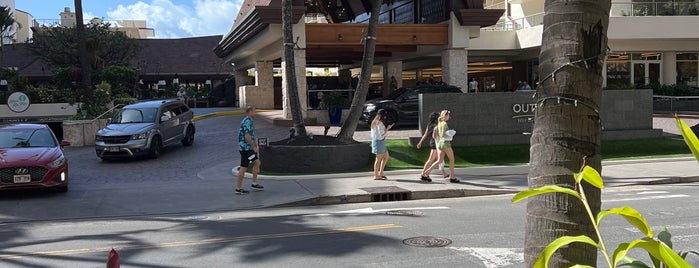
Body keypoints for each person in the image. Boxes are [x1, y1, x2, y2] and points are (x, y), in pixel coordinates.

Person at [235, 106, 264, 194]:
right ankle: (239, 188)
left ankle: (254, 184)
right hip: (246, 149)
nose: (255, 113)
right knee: (244, 167)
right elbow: (247, 136)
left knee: (256, 163)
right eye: (254, 111)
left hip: (247, 149)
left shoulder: (248, 121)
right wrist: (254, 146)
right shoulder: (247, 122)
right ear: (250, 112)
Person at [424, 110, 460, 183]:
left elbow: (434, 136)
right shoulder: (444, 124)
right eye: (449, 115)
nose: (449, 117)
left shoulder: (438, 124)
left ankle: (427, 172)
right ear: (445, 116)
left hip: (440, 144)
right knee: (452, 160)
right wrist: (451, 133)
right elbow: (444, 134)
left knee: (439, 161)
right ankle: (452, 177)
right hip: (446, 143)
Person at [417, 112, 448, 182]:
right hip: (436, 143)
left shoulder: (429, 125)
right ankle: (424, 173)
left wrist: (420, 142)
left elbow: (425, 134)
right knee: (432, 160)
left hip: (432, 142)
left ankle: (444, 173)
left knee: (438, 159)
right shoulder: (437, 125)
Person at [371, 109, 394, 180]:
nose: (385, 117)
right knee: (378, 159)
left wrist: (386, 130)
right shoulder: (378, 123)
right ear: (381, 116)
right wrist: (387, 129)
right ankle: (376, 175)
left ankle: (380, 173)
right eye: (384, 116)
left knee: (386, 156)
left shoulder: (377, 122)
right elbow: (380, 135)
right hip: (378, 141)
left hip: (380, 141)